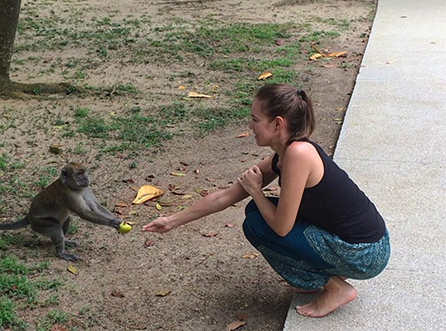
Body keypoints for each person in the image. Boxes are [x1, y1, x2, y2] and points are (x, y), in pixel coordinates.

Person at [142, 83, 390, 318]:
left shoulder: (298, 154)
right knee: (255, 211)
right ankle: (325, 275)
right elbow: (226, 196)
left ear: (277, 123)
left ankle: (334, 287)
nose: (250, 126)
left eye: (255, 119)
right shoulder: (286, 154)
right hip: (358, 244)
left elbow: (281, 227)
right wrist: (172, 221)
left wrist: (257, 191)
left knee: (257, 224)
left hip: (366, 253)